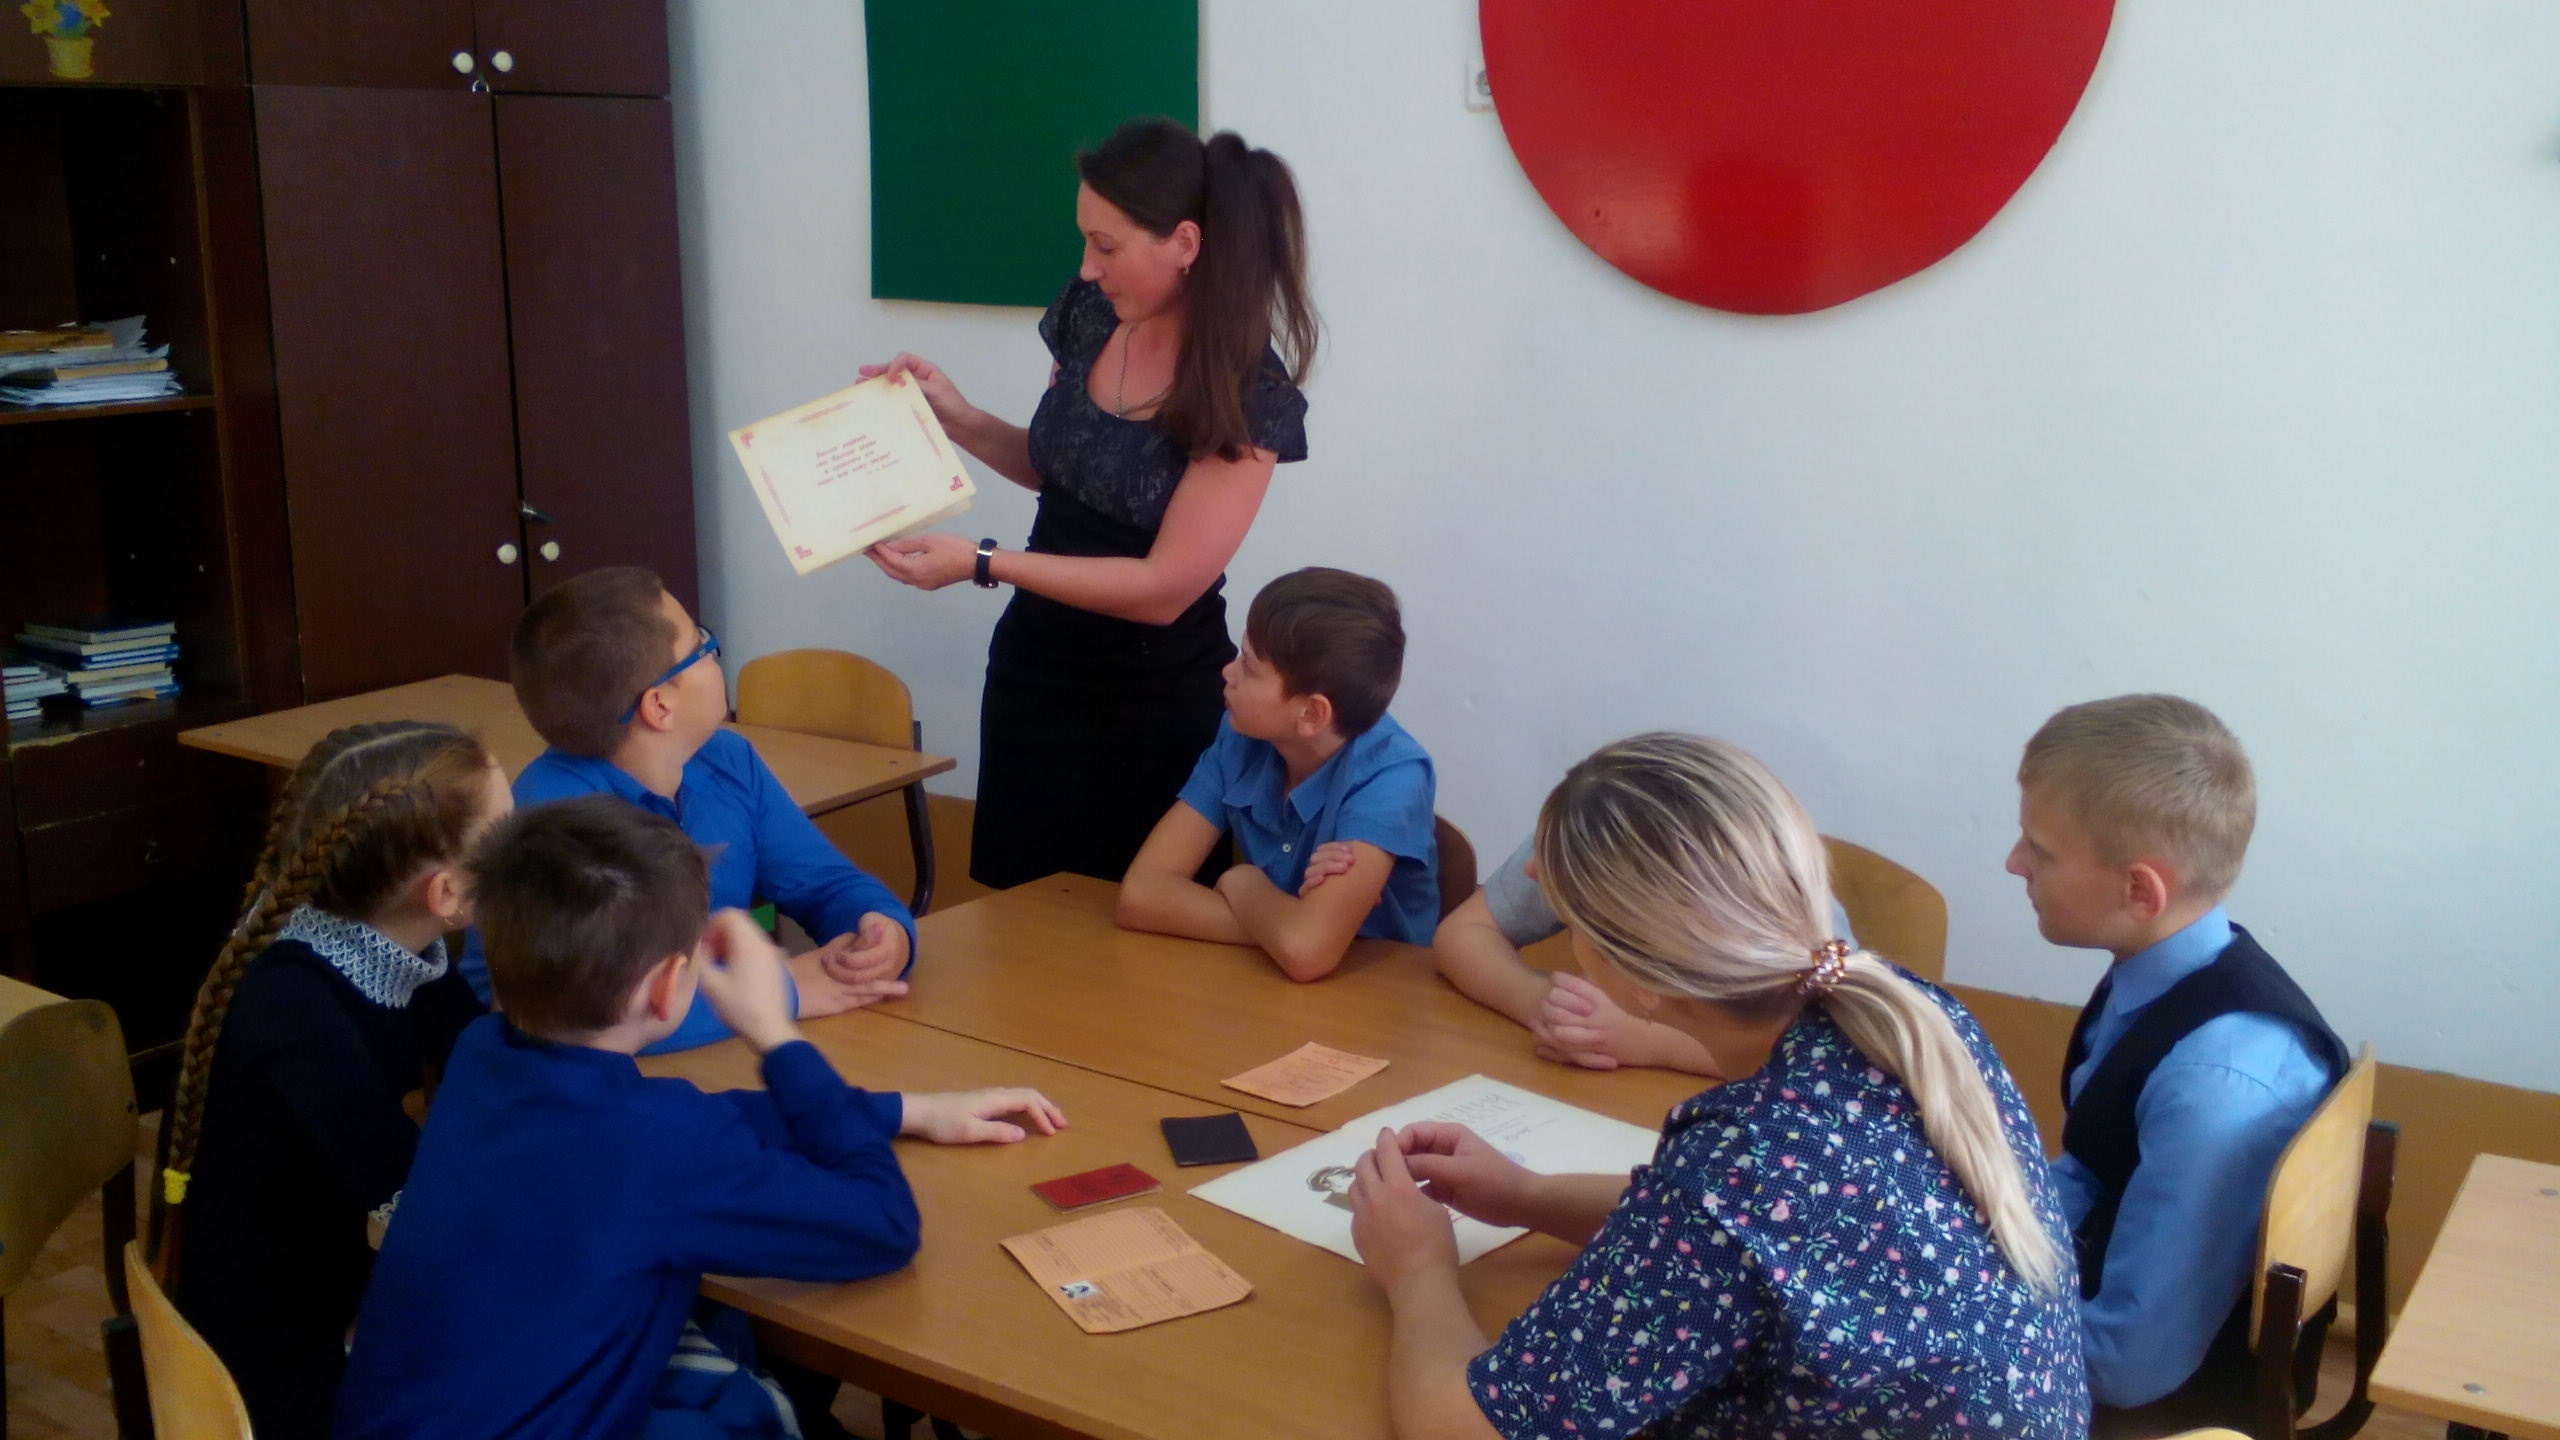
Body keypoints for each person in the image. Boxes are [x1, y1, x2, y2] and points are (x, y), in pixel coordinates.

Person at [1349, 733, 2089, 1440]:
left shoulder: (1737, 1171)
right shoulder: (1911, 1014)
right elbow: (1748, 1241)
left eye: (1573, 926)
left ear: (1635, 980)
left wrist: (1417, 1271)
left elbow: (1465, 1428)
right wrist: (1525, 1196)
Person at [334, 796, 1066, 1440]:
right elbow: (884, 1226)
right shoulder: (657, 1147)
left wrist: (905, 1110)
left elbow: (700, 1120)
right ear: (670, 986)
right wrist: (775, 1035)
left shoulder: (483, 1054)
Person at [864, 116, 1317, 889]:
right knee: (1016, 916)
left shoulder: (1250, 393)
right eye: (1084, 240)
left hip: (1152, 702)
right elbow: (1061, 471)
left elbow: (1163, 590)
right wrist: (956, 417)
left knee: (1137, 934)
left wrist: (983, 562)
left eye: (1106, 246)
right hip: (1034, 673)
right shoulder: (1090, 313)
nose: (1086, 266)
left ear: (1184, 243)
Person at [157, 721, 508, 1440]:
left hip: (332, 1296)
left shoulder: (383, 940)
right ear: (446, 894)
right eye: (509, 835)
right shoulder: (294, 1011)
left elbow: (486, 1055)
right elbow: (420, 1203)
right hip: (278, 1374)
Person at [2007, 694, 2346, 1435]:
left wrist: (1950, 1317)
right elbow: (2094, 1165)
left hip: (2163, 1405)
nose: (2014, 863)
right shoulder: (2164, 971)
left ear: (2140, 890)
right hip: (2101, 1302)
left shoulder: (2215, 1084)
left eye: (2041, 850)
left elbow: (2130, 1365)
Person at [459, 565, 914, 1053]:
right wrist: (786, 990)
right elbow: (563, 1018)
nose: (714, 653)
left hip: (713, 1053)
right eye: (701, 646)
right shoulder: (554, 815)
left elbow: (826, 882)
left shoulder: (728, 760)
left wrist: (881, 931)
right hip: (589, 1080)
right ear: (660, 706)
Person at [1115, 567, 1436, 980]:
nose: (1228, 672)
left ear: (1312, 713)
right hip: (1267, 980)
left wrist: (1242, 882)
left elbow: (1307, 952)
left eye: (1248, 667)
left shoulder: (1394, 778)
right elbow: (1141, 895)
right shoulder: (1240, 736)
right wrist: (1289, 927)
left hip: (1377, 995)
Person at [1434, 831, 1857, 1075]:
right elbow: (1463, 932)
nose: (1535, 871)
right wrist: (1546, 1006)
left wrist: (1652, 1042)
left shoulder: (1759, 899)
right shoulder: (1585, 838)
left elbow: (1817, 1049)